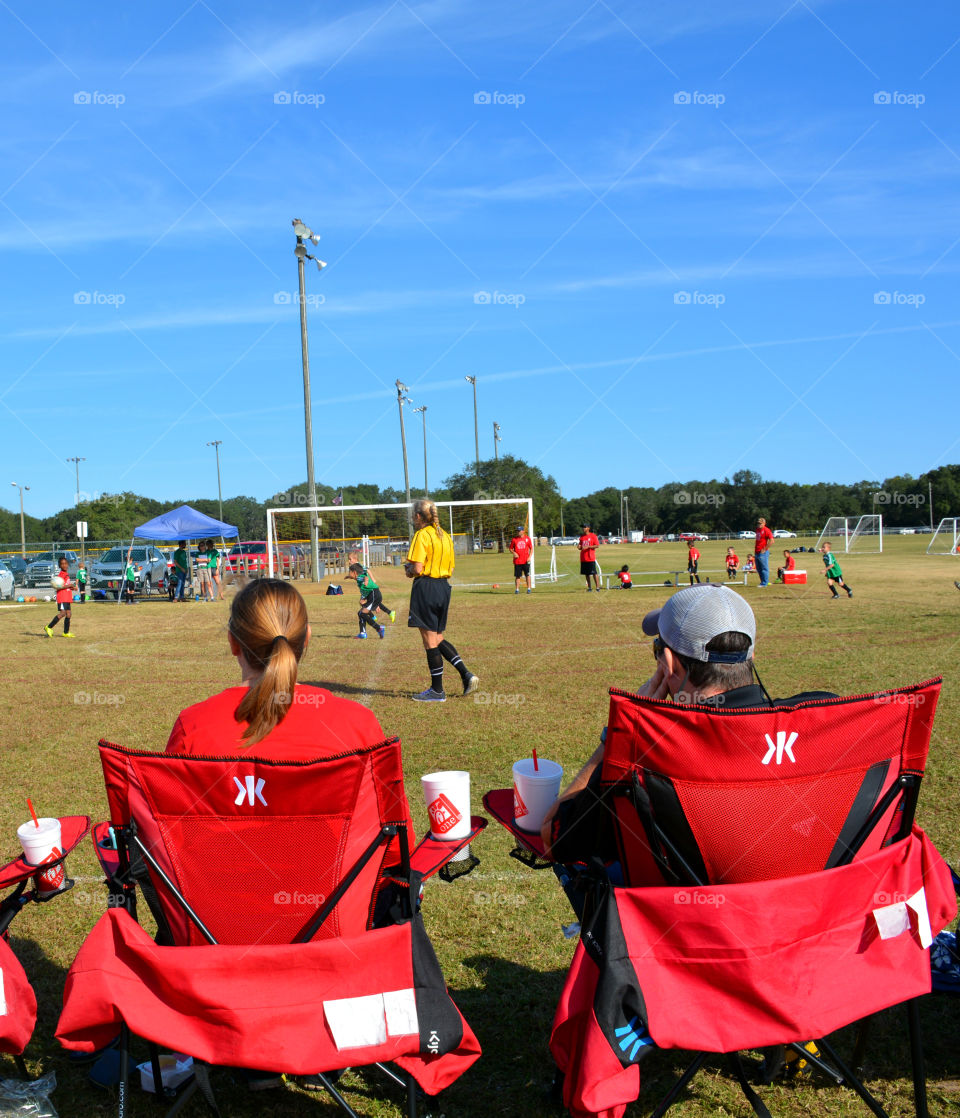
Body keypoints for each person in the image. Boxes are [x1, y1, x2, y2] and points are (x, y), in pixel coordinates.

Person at [164, 578, 402, 1094]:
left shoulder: (195, 726)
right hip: (332, 947)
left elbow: (172, 850)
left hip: (217, 948)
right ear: (307, 637)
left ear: (232, 642)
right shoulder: (356, 725)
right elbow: (389, 851)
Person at [540, 583, 836, 914]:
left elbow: (555, 839)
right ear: (751, 655)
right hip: (814, 923)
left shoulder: (651, 754)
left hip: (691, 937)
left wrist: (622, 735)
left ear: (668, 663)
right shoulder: (830, 722)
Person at [405, 498, 478, 702]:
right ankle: (466, 674)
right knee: (437, 637)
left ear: (419, 516)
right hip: (443, 588)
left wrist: (409, 570)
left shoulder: (422, 535)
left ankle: (437, 691)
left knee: (429, 641)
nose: (412, 518)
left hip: (426, 587)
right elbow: (451, 567)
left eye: (413, 514)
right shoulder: (445, 535)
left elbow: (417, 568)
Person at [346, 562, 386, 640]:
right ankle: (362, 633)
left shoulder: (360, 577)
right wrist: (349, 576)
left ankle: (378, 628)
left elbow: (365, 577)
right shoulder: (356, 577)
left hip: (374, 594)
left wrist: (366, 581)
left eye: (349, 572)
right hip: (372, 595)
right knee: (360, 613)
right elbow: (355, 577)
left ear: (354, 573)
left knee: (362, 613)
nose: (349, 574)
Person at [44, 558, 76, 638]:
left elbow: (65, 586)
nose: (64, 565)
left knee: (68, 614)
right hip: (62, 597)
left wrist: (72, 587)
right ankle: (49, 627)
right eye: (62, 564)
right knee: (63, 613)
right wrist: (69, 585)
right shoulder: (61, 574)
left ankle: (66, 632)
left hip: (67, 597)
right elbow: (58, 587)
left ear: (68, 564)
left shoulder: (66, 573)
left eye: (65, 563)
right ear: (59, 565)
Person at [510, 525, 533, 594]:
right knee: (517, 576)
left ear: (523, 531)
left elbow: (531, 548)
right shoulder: (514, 539)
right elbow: (510, 548)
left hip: (526, 560)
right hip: (517, 561)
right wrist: (514, 553)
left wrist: (529, 557)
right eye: (517, 531)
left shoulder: (527, 539)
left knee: (527, 574)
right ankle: (517, 589)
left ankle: (529, 588)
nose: (518, 532)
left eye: (519, 531)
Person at [578, 524, 600, 592]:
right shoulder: (582, 537)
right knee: (587, 574)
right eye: (583, 527)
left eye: (584, 527)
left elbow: (597, 545)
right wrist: (579, 547)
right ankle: (589, 587)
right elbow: (580, 545)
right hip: (583, 558)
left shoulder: (593, 536)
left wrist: (588, 547)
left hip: (590, 557)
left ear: (588, 528)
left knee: (594, 573)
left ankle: (597, 587)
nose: (583, 528)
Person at [754, 517, 774, 588]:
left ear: (764, 523)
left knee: (764, 568)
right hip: (757, 551)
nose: (759, 524)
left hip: (762, 552)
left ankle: (764, 583)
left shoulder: (766, 530)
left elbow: (772, 540)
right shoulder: (757, 530)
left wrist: (765, 549)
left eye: (760, 523)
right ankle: (764, 581)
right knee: (758, 568)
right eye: (758, 523)